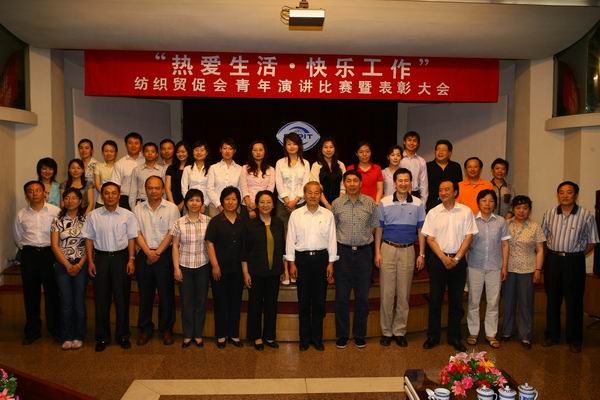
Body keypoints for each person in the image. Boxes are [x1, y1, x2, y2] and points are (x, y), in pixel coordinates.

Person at [541, 181, 599, 353]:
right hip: (553, 260)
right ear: (557, 194)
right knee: (552, 299)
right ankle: (552, 335)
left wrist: (577, 253)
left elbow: (592, 241)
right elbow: (543, 238)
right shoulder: (549, 213)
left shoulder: (586, 215)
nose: (565, 195)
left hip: (574, 262)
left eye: (569, 192)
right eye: (561, 192)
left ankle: (574, 339)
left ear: (575, 195)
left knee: (574, 300)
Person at [421, 180, 478, 352]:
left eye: (447, 189)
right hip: (438, 261)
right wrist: (443, 258)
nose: (443, 192)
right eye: (441, 190)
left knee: (456, 301)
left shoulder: (466, 211)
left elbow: (469, 236)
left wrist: (458, 257)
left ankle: (454, 337)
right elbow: (430, 238)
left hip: (458, 262)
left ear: (455, 192)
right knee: (435, 300)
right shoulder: (433, 212)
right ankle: (433, 336)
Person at [82, 182, 138, 352]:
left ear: (119, 195)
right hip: (100, 259)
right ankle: (102, 337)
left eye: (114, 193)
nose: (110, 196)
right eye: (107, 193)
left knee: (122, 299)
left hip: (121, 259)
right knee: (101, 300)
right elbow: (88, 239)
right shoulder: (93, 215)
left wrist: (131, 259)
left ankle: (123, 335)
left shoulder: (128, 215)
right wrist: (90, 261)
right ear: (102, 195)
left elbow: (131, 238)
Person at [374, 168, 426, 347]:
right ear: (395, 183)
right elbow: (379, 229)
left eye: (406, 180)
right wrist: (377, 252)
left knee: (404, 294)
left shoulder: (418, 203)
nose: (403, 183)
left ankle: (400, 331)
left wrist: (421, 254)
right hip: (387, 249)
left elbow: (421, 230)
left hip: (408, 250)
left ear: (411, 183)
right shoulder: (384, 202)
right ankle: (386, 332)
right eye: (400, 180)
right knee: (387, 294)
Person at [286, 182, 337, 351]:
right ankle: (304, 339)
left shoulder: (328, 215)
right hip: (302, 260)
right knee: (303, 301)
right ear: (304, 194)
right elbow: (290, 240)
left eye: (316, 193)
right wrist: (292, 263)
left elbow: (332, 240)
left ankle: (317, 338)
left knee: (319, 301)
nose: (313, 196)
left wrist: (331, 263)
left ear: (320, 195)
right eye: (310, 192)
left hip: (322, 259)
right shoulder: (296, 215)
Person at [331, 170, 379, 349]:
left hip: (364, 253)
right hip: (342, 253)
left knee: (362, 297)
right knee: (341, 297)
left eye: (355, 181)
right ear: (344, 183)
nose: (352, 184)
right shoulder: (336, 204)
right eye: (348, 181)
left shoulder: (370, 202)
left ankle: (359, 335)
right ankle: (342, 335)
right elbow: (332, 230)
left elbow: (375, 227)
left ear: (361, 183)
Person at [133, 176, 180, 346]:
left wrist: (157, 252)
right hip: (144, 253)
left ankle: (166, 329)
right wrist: (148, 252)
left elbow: (172, 233)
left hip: (164, 254)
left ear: (162, 189)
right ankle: (145, 329)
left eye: (157, 188)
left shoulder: (172, 208)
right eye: (150, 188)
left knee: (166, 294)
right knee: (145, 294)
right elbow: (136, 232)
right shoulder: (138, 208)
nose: (153, 191)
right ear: (145, 189)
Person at [14, 180, 61, 345]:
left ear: (44, 193)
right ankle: (32, 330)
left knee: (52, 293)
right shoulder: (21, 215)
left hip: (50, 253)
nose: (34, 193)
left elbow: (61, 234)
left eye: (38, 190)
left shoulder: (56, 211)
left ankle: (55, 328)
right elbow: (18, 238)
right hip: (29, 255)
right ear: (26, 195)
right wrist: (30, 250)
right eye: (30, 191)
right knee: (30, 293)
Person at [466, 190, 510, 349]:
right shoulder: (471, 220)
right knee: (474, 301)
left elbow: (505, 244)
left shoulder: (501, 221)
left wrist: (504, 266)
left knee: (493, 301)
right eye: (484, 200)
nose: (487, 204)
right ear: (478, 202)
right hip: (475, 266)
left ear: (495, 204)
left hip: (495, 267)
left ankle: (491, 334)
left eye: (491, 201)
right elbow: (466, 244)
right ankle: (473, 333)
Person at [241, 190, 285, 350]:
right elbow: (244, 251)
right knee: (255, 304)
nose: (265, 205)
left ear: (273, 205)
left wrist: (284, 269)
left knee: (271, 304)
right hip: (255, 272)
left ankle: (269, 336)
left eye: (269, 202)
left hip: (274, 271)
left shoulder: (279, 223)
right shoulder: (249, 225)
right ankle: (256, 337)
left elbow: (282, 248)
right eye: (262, 202)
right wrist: (245, 273)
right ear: (257, 205)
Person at [501, 195, 545, 350]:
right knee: (508, 302)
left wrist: (538, 270)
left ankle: (525, 335)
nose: (521, 211)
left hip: (527, 269)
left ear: (529, 210)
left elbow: (540, 250)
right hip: (508, 269)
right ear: (513, 209)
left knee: (526, 303)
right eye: (518, 208)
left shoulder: (535, 226)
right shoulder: (506, 224)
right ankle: (507, 331)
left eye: (525, 208)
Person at [171, 189, 211, 348]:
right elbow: (175, 246)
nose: (194, 203)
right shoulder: (179, 222)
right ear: (186, 203)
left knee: (201, 302)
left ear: (202, 203)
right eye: (191, 200)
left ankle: (198, 334)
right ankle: (188, 334)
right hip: (184, 267)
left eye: (198, 200)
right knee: (186, 302)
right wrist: (176, 268)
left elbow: (211, 245)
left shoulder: (208, 221)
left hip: (203, 266)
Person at [206, 187, 245, 348]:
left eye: (234, 199)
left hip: (238, 269)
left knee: (236, 302)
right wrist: (215, 265)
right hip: (219, 269)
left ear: (238, 202)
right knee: (220, 302)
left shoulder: (243, 221)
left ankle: (234, 334)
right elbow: (209, 243)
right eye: (227, 199)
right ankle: (221, 335)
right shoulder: (215, 221)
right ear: (222, 201)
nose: (230, 202)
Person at [50, 188, 88, 350]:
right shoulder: (57, 220)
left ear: (80, 201)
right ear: (63, 200)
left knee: (79, 301)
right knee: (66, 302)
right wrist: (67, 265)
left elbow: (90, 245)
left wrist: (79, 264)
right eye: (67, 198)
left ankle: (79, 335)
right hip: (62, 264)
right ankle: (66, 336)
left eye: (74, 198)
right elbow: (54, 245)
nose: (70, 201)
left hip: (81, 264)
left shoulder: (86, 220)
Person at [275, 132, 310, 226]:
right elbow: (279, 183)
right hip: (283, 203)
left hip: (300, 202)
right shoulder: (280, 162)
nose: (292, 146)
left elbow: (305, 183)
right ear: (285, 146)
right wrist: (287, 201)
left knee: (300, 228)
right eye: (289, 144)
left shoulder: (306, 163)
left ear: (299, 146)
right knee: (282, 229)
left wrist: (295, 201)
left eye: (294, 144)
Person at [239, 140, 275, 219]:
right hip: (247, 205)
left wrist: (257, 204)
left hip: (264, 205)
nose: (258, 152)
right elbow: (243, 187)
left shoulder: (271, 169)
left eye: (260, 150)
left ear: (264, 152)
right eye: (255, 150)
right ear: (251, 152)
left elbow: (270, 189)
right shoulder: (245, 168)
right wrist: (249, 206)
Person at [207, 138, 242, 217]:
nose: (227, 151)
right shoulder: (213, 168)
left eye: (230, 149)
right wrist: (219, 205)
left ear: (234, 151)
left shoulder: (240, 169)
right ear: (220, 150)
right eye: (225, 148)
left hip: (234, 207)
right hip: (215, 207)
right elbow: (209, 189)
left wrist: (234, 203)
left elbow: (241, 189)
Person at [425, 139, 462, 212]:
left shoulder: (455, 166)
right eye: (438, 150)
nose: (440, 152)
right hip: (432, 203)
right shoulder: (427, 166)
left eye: (444, 150)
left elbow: (458, 186)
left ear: (450, 153)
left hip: (451, 203)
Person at [310, 137, 346, 210]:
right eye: (325, 147)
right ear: (321, 149)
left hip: (339, 204)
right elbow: (316, 187)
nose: (328, 150)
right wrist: (327, 205)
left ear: (335, 149)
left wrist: (338, 203)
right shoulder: (316, 165)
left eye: (331, 147)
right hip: (321, 203)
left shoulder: (341, 164)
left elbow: (343, 186)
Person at [128, 142, 167, 210]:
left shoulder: (162, 170)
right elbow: (133, 191)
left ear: (157, 154)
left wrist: (164, 206)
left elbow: (164, 191)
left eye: (152, 151)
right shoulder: (137, 170)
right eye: (147, 151)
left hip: (158, 204)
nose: (150, 153)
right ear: (143, 154)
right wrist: (133, 208)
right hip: (141, 203)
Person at [112, 131, 144, 210]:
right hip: (125, 200)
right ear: (126, 145)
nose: (133, 146)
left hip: (144, 198)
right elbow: (115, 186)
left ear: (141, 145)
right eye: (130, 143)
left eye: (136, 143)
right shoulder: (119, 163)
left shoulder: (146, 161)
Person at [181, 140, 211, 213]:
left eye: (202, 150)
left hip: (206, 204)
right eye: (196, 150)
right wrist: (190, 202)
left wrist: (204, 204)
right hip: (189, 205)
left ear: (206, 153)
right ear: (193, 152)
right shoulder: (187, 169)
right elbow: (184, 188)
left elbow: (212, 188)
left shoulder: (212, 169)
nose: (199, 152)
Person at [399, 131, 428, 203]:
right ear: (404, 142)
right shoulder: (399, 159)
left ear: (418, 144)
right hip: (399, 193)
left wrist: (423, 202)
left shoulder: (421, 161)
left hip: (415, 194)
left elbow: (424, 183)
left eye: (414, 141)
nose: (411, 143)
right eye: (409, 140)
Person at [166, 141, 190, 213]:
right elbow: (167, 188)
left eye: (183, 152)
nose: (180, 154)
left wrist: (182, 204)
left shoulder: (191, 168)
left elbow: (191, 187)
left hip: (187, 202)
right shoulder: (171, 168)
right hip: (171, 202)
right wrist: (173, 205)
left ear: (188, 152)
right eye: (178, 152)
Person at [94, 140, 118, 208]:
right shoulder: (98, 166)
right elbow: (97, 185)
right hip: (101, 201)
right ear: (102, 152)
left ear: (116, 153)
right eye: (106, 151)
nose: (109, 153)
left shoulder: (119, 166)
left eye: (111, 151)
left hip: (116, 202)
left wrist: (112, 196)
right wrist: (106, 195)